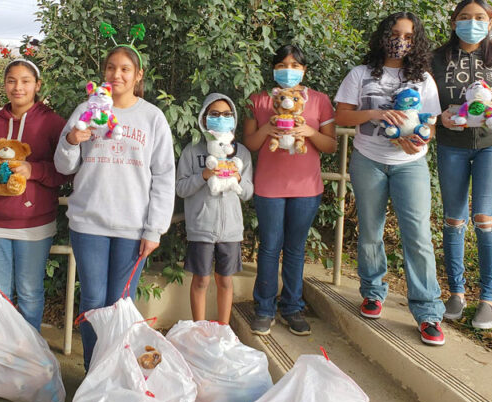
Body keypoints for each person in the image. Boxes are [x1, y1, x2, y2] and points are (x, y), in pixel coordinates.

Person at [54, 45, 175, 370]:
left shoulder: (152, 117)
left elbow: (164, 175)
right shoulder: (86, 109)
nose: (116, 74)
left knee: (120, 303)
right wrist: (71, 141)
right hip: (88, 224)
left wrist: (154, 229)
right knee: (93, 303)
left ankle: (118, 375)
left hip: (133, 229)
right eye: (110, 68)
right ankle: (94, 374)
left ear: (138, 76)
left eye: (124, 69)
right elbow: (64, 166)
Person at [334, 12, 447, 346]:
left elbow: (431, 124)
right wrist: (376, 113)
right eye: (395, 34)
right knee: (370, 230)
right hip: (368, 160)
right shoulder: (360, 74)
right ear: (383, 35)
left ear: (416, 42)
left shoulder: (423, 78)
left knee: (418, 235)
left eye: (409, 37)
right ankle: (372, 293)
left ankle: (428, 312)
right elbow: (341, 114)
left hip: (409, 164)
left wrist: (416, 138)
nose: (401, 41)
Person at [432, 0, 492, 329]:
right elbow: (428, 103)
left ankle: (489, 299)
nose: (472, 22)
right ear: (454, 20)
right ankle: (456, 294)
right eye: (465, 17)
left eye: (479, 17)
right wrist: (439, 118)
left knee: (484, 218)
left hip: (491, 146)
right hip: (452, 146)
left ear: (490, 21)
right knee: (454, 219)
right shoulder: (438, 59)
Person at [243, 44, 337, 336]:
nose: (289, 70)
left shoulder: (320, 101)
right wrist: (265, 131)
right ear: (273, 69)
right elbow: (249, 144)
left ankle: (292, 307)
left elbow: (331, 145)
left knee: (295, 249)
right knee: (270, 248)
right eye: (282, 65)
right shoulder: (257, 100)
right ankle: (264, 309)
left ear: (304, 70)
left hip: (307, 188)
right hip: (268, 187)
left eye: (295, 65)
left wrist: (310, 133)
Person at [0, 59, 69, 331]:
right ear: (4, 85)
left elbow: (67, 171)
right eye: (11, 80)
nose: (18, 87)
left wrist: (32, 170)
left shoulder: (52, 123)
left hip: (34, 223)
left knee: (29, 292)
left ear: (37, 85)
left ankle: (28, 353)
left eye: (25, 81)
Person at [175, 93, 253, 324]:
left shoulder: (242, 154)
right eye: (215, 114)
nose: (221, 118)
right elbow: (180, 188)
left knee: (225, 281)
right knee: (201, 280)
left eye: (227, 114)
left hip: (230, 230)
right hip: (201, 227)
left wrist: (238, 179)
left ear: (234, 118)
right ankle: (199, 329)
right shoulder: (192, 151)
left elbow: (248, 192)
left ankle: (223, 329)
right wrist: (203, 176)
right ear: (204, 118)